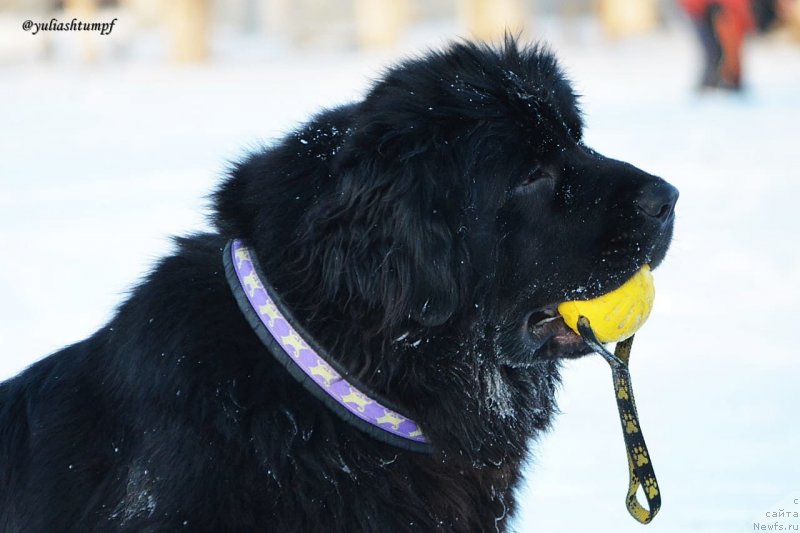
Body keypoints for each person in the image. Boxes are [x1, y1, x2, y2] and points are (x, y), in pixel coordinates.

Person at [680, 0, 767, 90]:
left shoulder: (740, 13)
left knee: (717, 53)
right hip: (700, 10)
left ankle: (716, 85)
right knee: (715, 53)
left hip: (706, 10)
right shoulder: (737, 12)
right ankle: (710, 87)